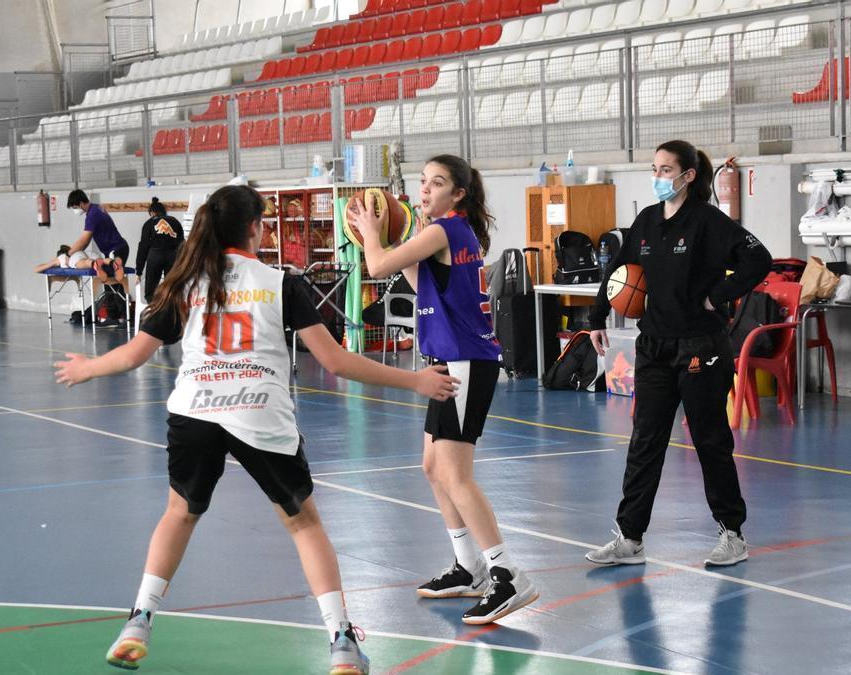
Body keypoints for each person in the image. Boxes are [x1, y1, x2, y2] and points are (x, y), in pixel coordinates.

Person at [54, 185, 459, 674]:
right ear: (255, 228)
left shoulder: (184, 281)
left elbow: (136, 353)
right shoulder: (280, 282)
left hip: (195, 411)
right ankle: (341, 641)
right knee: (304, 524)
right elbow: (335, 360)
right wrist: (413, 379)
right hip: (259, 411)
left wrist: (88, 368)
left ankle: (139, 620)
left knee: (178, 515)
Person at [350, 154, 538, 625]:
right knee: (433, 467)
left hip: (465, 361)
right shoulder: (440, 235)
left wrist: (373, 236)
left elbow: (375, 268)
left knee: (455, 474)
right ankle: (468, 566)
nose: (426, 189)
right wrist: (392, 239)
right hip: (449, 357)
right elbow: (415, 279)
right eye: (422, 182)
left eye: (437, 183)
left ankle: (508, 573)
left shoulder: (446, 230)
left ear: (458, 194)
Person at [585, 140, 772, 568]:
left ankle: (732, 534)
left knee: (709, 440)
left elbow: (758, 258)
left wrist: (718, 297)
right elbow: (619, 273)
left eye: (666, 170)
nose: (658, 177)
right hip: (653, 345)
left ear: (688, 176)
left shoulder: (708, 221)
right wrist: (595, 318)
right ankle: (630, 538)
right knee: (645, 441)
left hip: (700, 346)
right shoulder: (647, 220)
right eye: (655, 169)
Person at [66, 189, 129, 286]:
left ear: (81, 203)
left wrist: (68, 254)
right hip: (117, 248)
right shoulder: (97, 207)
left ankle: (117, 297)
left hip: (116, 249)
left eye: (75, 207)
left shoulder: (92, 215)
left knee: (110, 278)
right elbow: (86, 241)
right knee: (111, 282)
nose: (75, 211)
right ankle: (113, 298)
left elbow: (84, 240)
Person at [136, 197, 185, 302]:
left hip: (155, 254)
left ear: (152, 213)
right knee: (171, 289)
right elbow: (182, 244)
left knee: (151, 291)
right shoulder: (175, 221)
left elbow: (143, 247)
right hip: (173, 255)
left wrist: (138, 272)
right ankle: (170, 311)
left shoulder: (148, 223)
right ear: (164, 211)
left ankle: (153, 310)